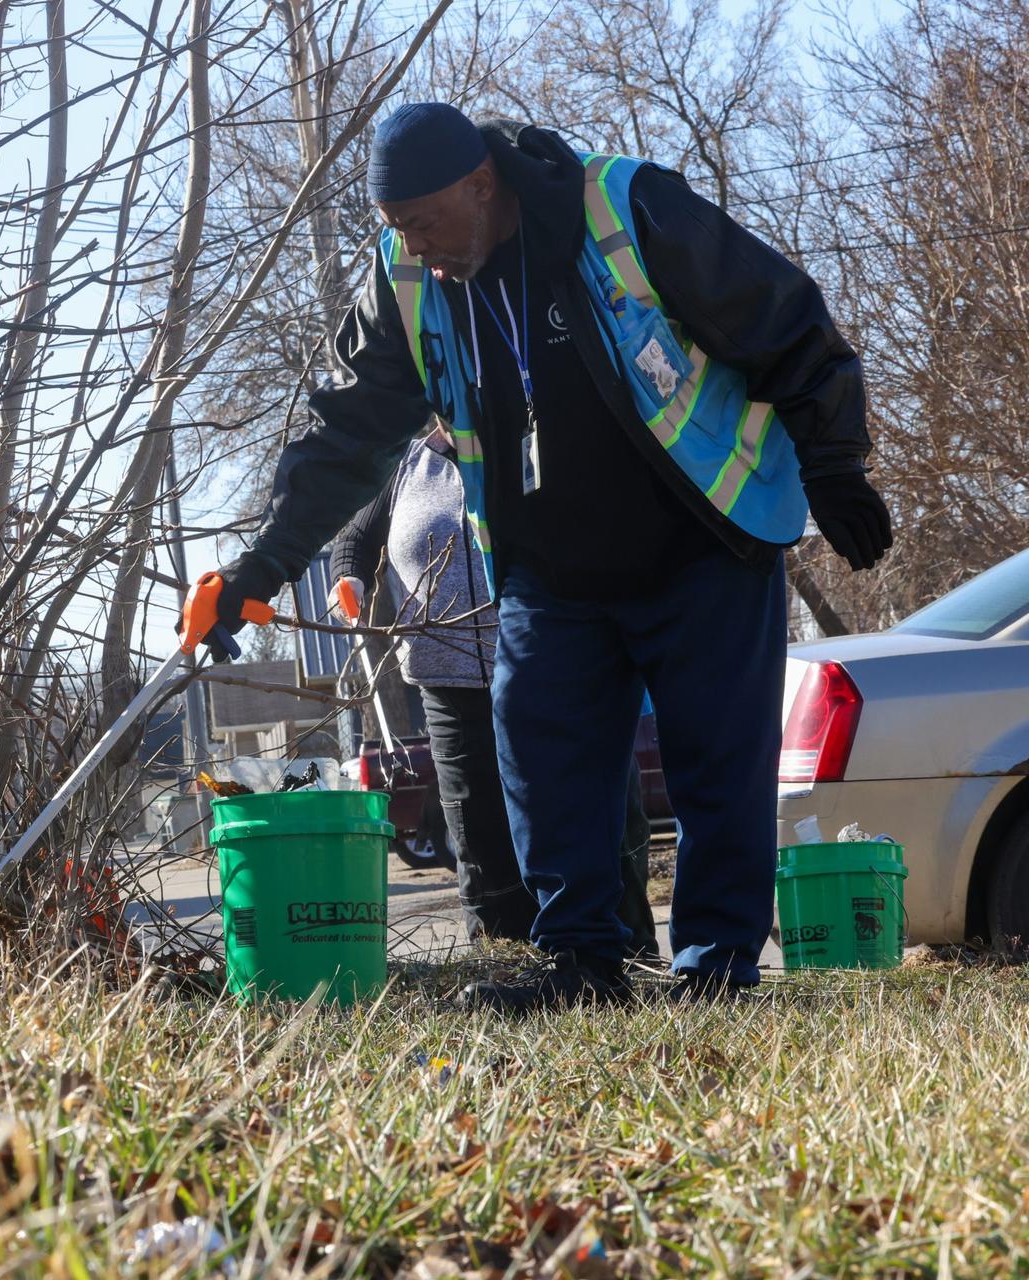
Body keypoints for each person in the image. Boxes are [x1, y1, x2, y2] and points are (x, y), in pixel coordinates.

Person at [195, 104, 890, 1009]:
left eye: (425, 222)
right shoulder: (406, 276)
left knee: (717, 767)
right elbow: (347, 436)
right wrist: (261, 567)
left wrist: (835, 461)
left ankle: (716, 969)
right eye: (397, 227)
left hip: (702, 544)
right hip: (550, 572)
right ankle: (583, 965)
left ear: (483, 185)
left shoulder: (627, 208)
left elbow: (782, 317)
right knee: (542, 760)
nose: (415, 247)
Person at [328, 429, 659, 957]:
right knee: (478, 838)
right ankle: (506, 966)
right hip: (451, 692)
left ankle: (627, 959)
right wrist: (349, 578)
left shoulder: (534, 435)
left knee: (597, 821)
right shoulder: (404, 463)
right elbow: (354, 538)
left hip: (558, 674)